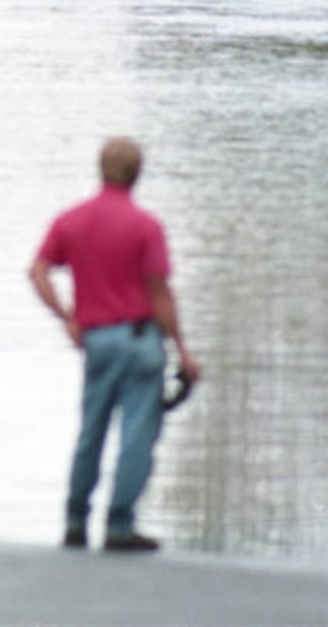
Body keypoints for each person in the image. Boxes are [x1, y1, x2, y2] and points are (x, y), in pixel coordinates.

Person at [28, 137, 201, 553]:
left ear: (99, 169)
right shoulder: (146, 226)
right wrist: (183, 351)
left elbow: (37, 272)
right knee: (137, 435)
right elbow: (160, 293)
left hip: (97, 341)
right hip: (141, 342)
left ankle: (74, 521)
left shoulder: (71, 220)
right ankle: (120, 526)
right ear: (137, 174)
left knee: (91, 431)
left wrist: (66, 316)